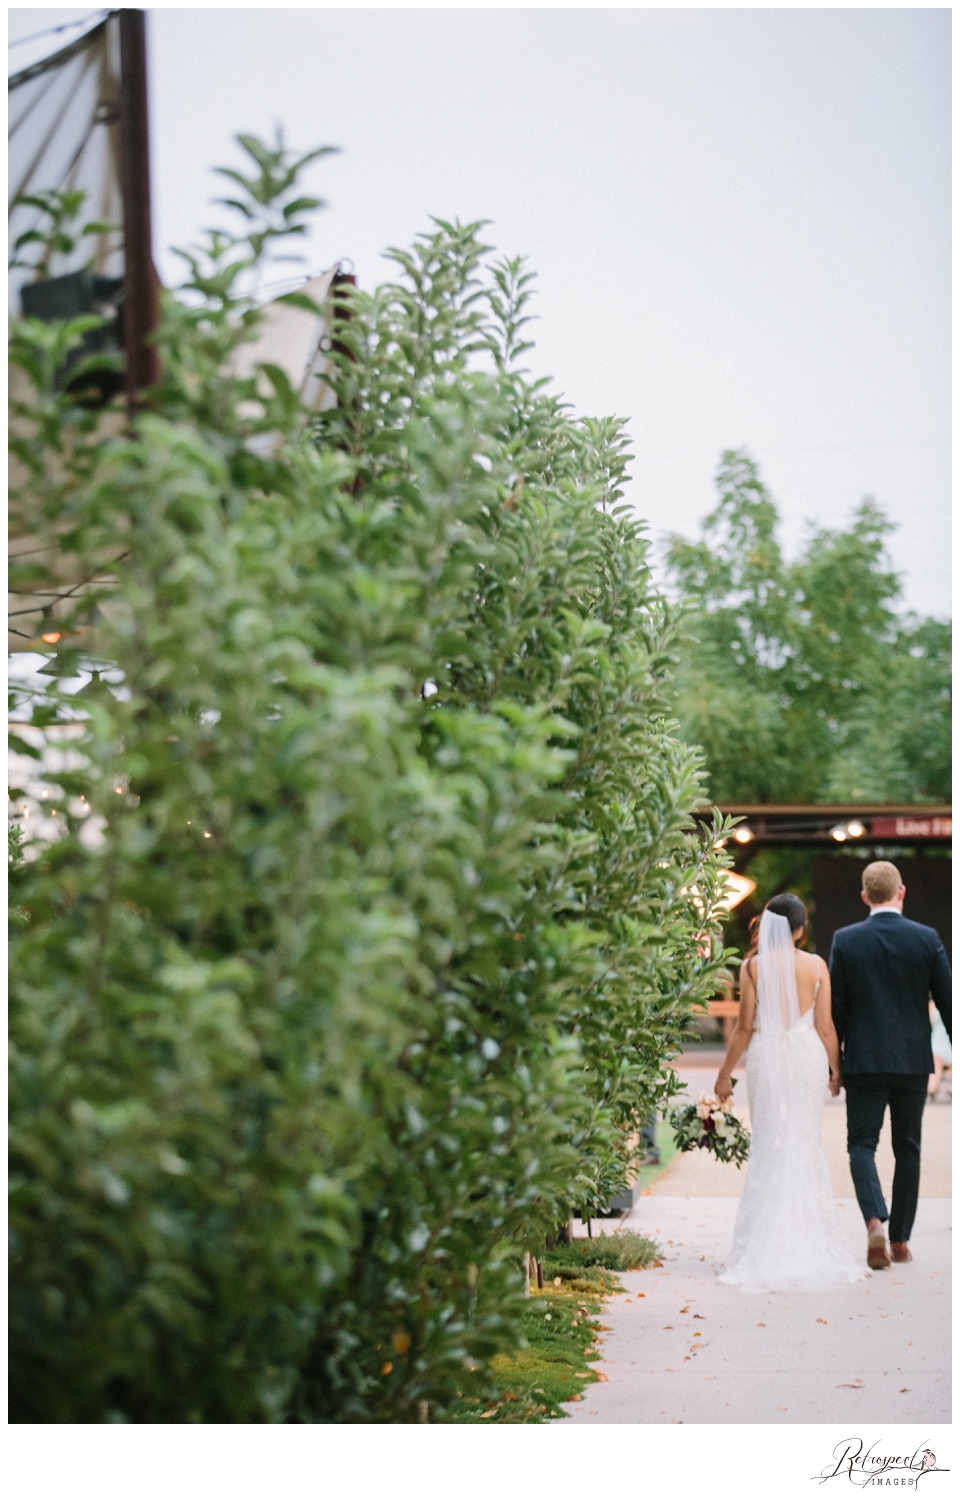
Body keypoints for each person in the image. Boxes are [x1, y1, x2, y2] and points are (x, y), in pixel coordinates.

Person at [713, 894, 864, 1293]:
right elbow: (825, 1026)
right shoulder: (816, 966)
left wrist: (724, 1075)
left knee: (768, 1142)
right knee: (805, 1142)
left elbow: (744, 1028)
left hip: (766, 1056)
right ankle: (810, 1239)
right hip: (806, 1057)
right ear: (799, 930)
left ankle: (763, 1243)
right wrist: (836, 1069)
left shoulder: (752, 967)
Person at [830, 860, 952, 1269]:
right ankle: (899, 1241)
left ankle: (873, 1221)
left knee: (861, 1145)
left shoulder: (845, 940)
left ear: (865, 897)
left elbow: (836, 1009)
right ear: (901, 892)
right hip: (912, 1061)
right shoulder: (926, 938)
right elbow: (949, 1004)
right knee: (908, 1148)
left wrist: (834, 1064)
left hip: (863, 1059)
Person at [928, 999, 951, 1102]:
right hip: (937, 1041)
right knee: (936, 1061)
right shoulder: (932, 1004)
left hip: (949, 1040)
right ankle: (931, 1090)